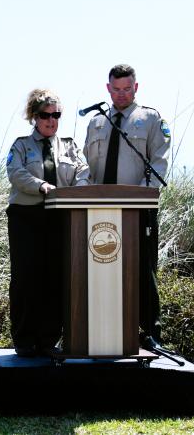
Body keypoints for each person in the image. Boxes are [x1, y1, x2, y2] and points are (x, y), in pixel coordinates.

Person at [83, 64, 171, 349]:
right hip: (98, 212)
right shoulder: (96, 122)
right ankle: (102, 332)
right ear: (108, 88)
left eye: (127, 89)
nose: (121, 95)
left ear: (136, 87)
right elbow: (86, 166)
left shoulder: (150, 119)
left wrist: (139, 199)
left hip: (138, 211)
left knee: (142, 272)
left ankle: (150, 334)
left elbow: (159, 164)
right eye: (116, 89)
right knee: (100, 273)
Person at [6, 89, 89, 357]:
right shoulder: (21, 146)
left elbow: (82, 172)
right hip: (26, 218)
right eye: (45, 115)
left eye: (56, 115)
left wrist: (79, 190)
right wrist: (42, 186)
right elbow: (16, 174)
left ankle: (49, 339)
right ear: (34, 116)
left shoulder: (69, 145)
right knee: (26, 278)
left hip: (60, 217)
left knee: (55, 277)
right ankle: (24, 339)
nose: (51, 121)